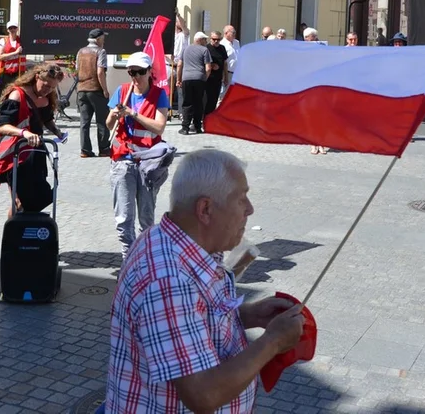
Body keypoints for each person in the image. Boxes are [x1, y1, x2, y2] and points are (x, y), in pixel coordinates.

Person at [105, 149, 305, 414]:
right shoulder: (168, 280)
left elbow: (191, 320)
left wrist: (247, 315)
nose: (250, 209)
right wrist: (273, 341)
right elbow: (203, 394)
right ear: (206, 209)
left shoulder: (169, 239)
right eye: (241, 198)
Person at [106, 52, 171, 260]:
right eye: (132, 72)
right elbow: (109, 125)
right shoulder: (122, 91)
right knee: (124, 218)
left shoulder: (159, 94)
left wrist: (133, 114)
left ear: (150, 72)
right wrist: (114, 116)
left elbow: (159, 127)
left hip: (148, 164)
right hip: (122, 161)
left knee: (146, 218)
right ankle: (128, 260)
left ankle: (145, 260)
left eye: (140, 72)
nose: (135, 77)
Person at [0, 64, 66, 219]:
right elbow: (1, 126)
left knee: (36, 200)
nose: (47, 90)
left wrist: (57, 131)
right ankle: (12, 235)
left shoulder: (46, 97)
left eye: (51, 88)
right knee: (19, 203)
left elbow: (46, 119)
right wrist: (24, 133)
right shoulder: (17, 95)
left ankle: (28, 233)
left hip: (35, 155)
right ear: (37, 77)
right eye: (45, 85)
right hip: (15, 155)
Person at [76, 28, 111, 158]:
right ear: (98, 39)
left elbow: (77, 70)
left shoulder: (80, 51)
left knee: (84, 122)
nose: (104, 41)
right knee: (102, 120)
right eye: (103, 38)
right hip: (95, 89)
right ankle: (104, 149)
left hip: (81, 89)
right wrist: (105, 90)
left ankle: (85, 150)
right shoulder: (100, 51)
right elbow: (100, 72)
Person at [178, 31, 212, 135]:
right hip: (199, 78)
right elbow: (208, 68)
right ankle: (197, 127)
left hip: (186, 78)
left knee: (187, 102)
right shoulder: (205, 50)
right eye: (205, 39)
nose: (206, 41)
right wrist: (204, 78)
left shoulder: (185, 49)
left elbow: (179, 65)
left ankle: (185, 128)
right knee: (198, 103)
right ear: (200, 40)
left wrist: (179, 79)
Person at [0, 21, 26, 113]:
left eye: (14, 28)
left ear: (17, 29)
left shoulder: (21, 41)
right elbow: (0, 56)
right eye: (10, 28)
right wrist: (15, 53)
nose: (12, 30)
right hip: (6, 71)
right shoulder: (3, 41)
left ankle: (13, 111)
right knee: (3, 92)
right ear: (7, 30)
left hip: (18, 72)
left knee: (17, 92)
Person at [204, 31, 228, 117]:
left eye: (218, 39)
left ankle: (210, 117)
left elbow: (225, 63)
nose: (216, 41)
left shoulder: (222, 48)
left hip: (218, 78)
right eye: (214, 39)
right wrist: (212, 65)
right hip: (208, 77)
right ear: (210, 39)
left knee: (215, 99)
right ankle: (205, 117)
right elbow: (203, 62)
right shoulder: (207, 48)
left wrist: (226, 76)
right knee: (207, 99)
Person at [222, 25, 240, 95]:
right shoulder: (222, 44)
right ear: (226, 33)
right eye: (233, 32)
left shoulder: (236, 42)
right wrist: (225, 76)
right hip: (227, 73)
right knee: (223, 95)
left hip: (236, 73)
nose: (235, 34)